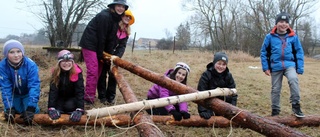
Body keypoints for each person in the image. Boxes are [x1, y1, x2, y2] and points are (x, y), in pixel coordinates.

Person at [78, 0, 129, 104]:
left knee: (99, 71)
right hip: (90, 44)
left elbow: (110, 39)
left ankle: (90, 93)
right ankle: (88, 98)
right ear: (113, 6)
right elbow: (102, 37)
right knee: (93, 71)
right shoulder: (105, 16)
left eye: (123, 7)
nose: (120, 8)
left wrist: (110, 56)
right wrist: (101, 54)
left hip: (99, 47)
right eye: (118, 6)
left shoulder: (116, 19)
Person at [260, 12, 305, 118]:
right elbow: (263, 52)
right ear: (276, 23)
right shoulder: (269, 37)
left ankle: (296, 106)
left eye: (286, 22)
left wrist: (300, 68)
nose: (283, 24)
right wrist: (265, 67)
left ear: (288, 24)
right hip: (275, 66)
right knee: (275, 89)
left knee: (293, 80)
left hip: (290, 65)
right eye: (281, 22)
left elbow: (299, 52)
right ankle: (275, 111)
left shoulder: (293, 37)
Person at [97, 9, 135, 105]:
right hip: (105, 54)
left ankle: (111, 97)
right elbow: (107, 40)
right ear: (121, 16)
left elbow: (122, 46)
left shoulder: (126, 33)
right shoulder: (114, 26)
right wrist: (106, 55)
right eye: (126, 16)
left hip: (114, 58)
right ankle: (102, 96)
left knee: (113, 76)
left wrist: (116, 57)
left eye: (129, 17)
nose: (127, 18)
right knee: (102, 75)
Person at [0, 39, 41, 125]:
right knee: (12, 111)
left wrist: (31, 108)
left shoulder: (30, 65)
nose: (16, 55)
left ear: (22, 52)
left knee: (34, 111)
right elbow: (5, 87)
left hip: (27, 93)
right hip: (14, 94)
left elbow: (34, 86)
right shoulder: (2, 66)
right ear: (6, 54)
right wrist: (9, 107)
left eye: (19, 51)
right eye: (11, 52)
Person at [197, 52, 237, 119]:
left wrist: (232, 109)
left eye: (224, 64)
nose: (221, 66)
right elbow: (201, 92)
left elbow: (233, 94)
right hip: (209, 105)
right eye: (219, 63)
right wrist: (203, 110)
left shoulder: (228, 76)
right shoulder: (206, 75)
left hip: (224, 105)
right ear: (214, 63)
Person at [47, 50, 85, 122]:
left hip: (72, 98)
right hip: (60, 97)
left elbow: (80, 91)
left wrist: (80, 109)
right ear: (59, 62)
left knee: (69, 106)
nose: (66, 63)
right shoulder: (55, 72)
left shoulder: (77, 72)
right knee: (58, 108)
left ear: (72, 62)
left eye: (69, 61)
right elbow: (53, 91)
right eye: (63, 61)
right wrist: (51, 107)